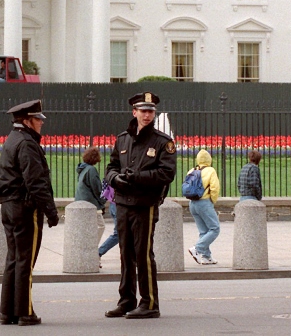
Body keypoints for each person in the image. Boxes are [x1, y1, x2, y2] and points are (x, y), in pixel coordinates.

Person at [104, 91, 176, 320]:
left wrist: (137, 177)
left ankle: (149, 302)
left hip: (145, 204)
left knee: (143, 254)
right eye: (143, 111)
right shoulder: (123, 138)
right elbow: (111, 166)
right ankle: (126, 300)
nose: (147, 115)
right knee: (125, 254)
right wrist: (114, 179)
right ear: (134, 112)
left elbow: (166, 173)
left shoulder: (163, 142)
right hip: (124, 202)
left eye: (151, 111)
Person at [0, 99, 59, 327]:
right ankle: (24, 311)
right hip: (24, 208)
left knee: (13, 259)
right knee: (25, 261)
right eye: (38, 120)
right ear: (27, 121)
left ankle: (8, 311)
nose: (41, 123)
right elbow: (36, 181)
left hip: (10, 206)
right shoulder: (27, 144)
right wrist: (51, 212)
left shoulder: (13, 139)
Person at [186, 149, 221, 265]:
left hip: (192, 203)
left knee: (203, 231)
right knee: (215, 228)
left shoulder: (192, 170)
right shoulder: (210, 171)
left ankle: (206, 257)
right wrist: (213, 200)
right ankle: (197, 249)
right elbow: (215, 188)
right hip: (204, 202)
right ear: (209, 159)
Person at [74, 145, 106, 246]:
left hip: (80, 202)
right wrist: (102, 203)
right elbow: (97, 189)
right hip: (91, 204)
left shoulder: (82, 169)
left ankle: (87, 247)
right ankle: (91, 248)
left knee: (86, 228)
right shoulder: (91, 170)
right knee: (100, 226)